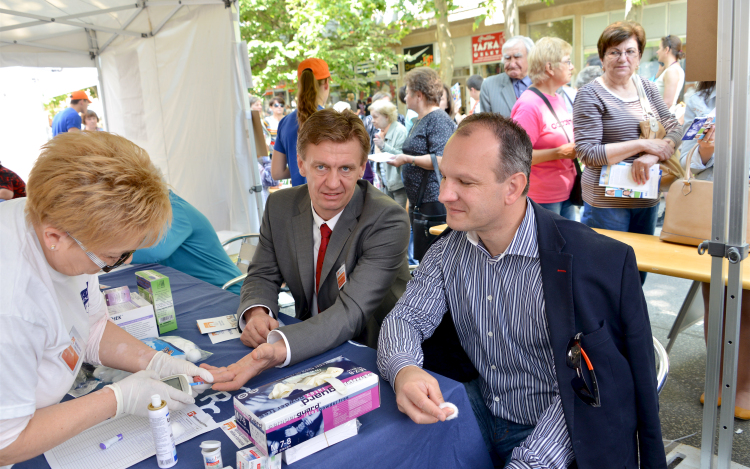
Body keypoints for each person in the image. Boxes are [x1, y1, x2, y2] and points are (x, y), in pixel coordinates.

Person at [377, 112, 666, 469]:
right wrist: (404, 368)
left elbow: (590, 388)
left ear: (513, 187)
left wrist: (529, 462)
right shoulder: (449, 249)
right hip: (479, 408)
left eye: (465, 182)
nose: (444, 193)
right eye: (444, 176)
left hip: (561, 435)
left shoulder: (593, 263)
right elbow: (405, 319)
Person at [0, 131, 226, 466]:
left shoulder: (58, 222)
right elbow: (7, 441)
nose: (117, 263)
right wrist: (117, 399)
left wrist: (155, 361)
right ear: (54, 237)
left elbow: (91, 326)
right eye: (112, 257)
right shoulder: (13, 307)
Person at [203, 109, 411, 391]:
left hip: (371, 355)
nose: (333, 183)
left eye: (346, 169)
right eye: (321, 167)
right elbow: (262, 274)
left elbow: (350, 313)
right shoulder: (280, 207)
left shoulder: (387, 219)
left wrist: (279, 346)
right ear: (300, 164)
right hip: (304, 345)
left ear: (362, 168)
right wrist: (257, 312)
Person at [573, 21, 681, 284]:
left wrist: (653, 155)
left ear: (640, 56)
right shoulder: (590, 95)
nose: (623, 58)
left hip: (645, 197)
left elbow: (675, 129)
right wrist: (642, 145)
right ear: (602, 57)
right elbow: (588, 153)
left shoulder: (647, 87)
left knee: (637, 273)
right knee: (608, 275)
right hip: (607, 204)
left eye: (630, 51)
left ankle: (630, 325)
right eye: (614, 52)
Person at [679, 81, 750, 417]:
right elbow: (685, 160)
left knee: (747, 299)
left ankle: (744, 386)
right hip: (715, 208)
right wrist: (706, 149)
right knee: (716, 299)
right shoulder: (701, 99)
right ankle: (720, 378)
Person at [388, 67, 456, 262]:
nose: (404, 96)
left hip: (434, 202)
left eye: (408, 91)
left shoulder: (437, 119)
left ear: (418, 95)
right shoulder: (422, 119)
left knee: (435, 261)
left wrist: (408, 159)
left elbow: (443, 160)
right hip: (423, 201)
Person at [510, 37, 577, 220]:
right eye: (567, 61)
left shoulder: (558, 98)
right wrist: (559, 153)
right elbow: (516, 157)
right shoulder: (530, 105)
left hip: (565, 193)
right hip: (542, 198)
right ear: (549, 68)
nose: (572, 67)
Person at [131, 190, 244, 295]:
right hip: (196, 288)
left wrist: (118, 253)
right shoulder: (160, 210)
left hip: (225, 289)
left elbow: (155, 251)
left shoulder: (177, 210)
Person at [271, 58, 331, 186]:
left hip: (300, 201)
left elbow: (276, 173)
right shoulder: (333, 120)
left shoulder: (285, 122)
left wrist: (296, 169)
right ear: (326, 83)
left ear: (299, 85)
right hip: (329, 197)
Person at [479, 36, 535, 117]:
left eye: (517, 57)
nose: (512, 64)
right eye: (507, 58)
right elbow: (485, 125)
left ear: (530, 57)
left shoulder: (546, 83)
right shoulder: (489, 86)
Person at [370, 99, 408, 208]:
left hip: (398, 185)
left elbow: (402, 156)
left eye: (375, 117)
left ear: (387, 117)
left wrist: (383, 146)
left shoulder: (400, 131)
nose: (372, 121)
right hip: (385, 184)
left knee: (399, 218)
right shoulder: (380, 132)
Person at [654, 35, 685, 114]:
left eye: (660, 48)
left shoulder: (672, 71)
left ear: (666, 50)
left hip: (662, 121)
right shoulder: (671, 69)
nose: (657, 51)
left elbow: (667, 103)